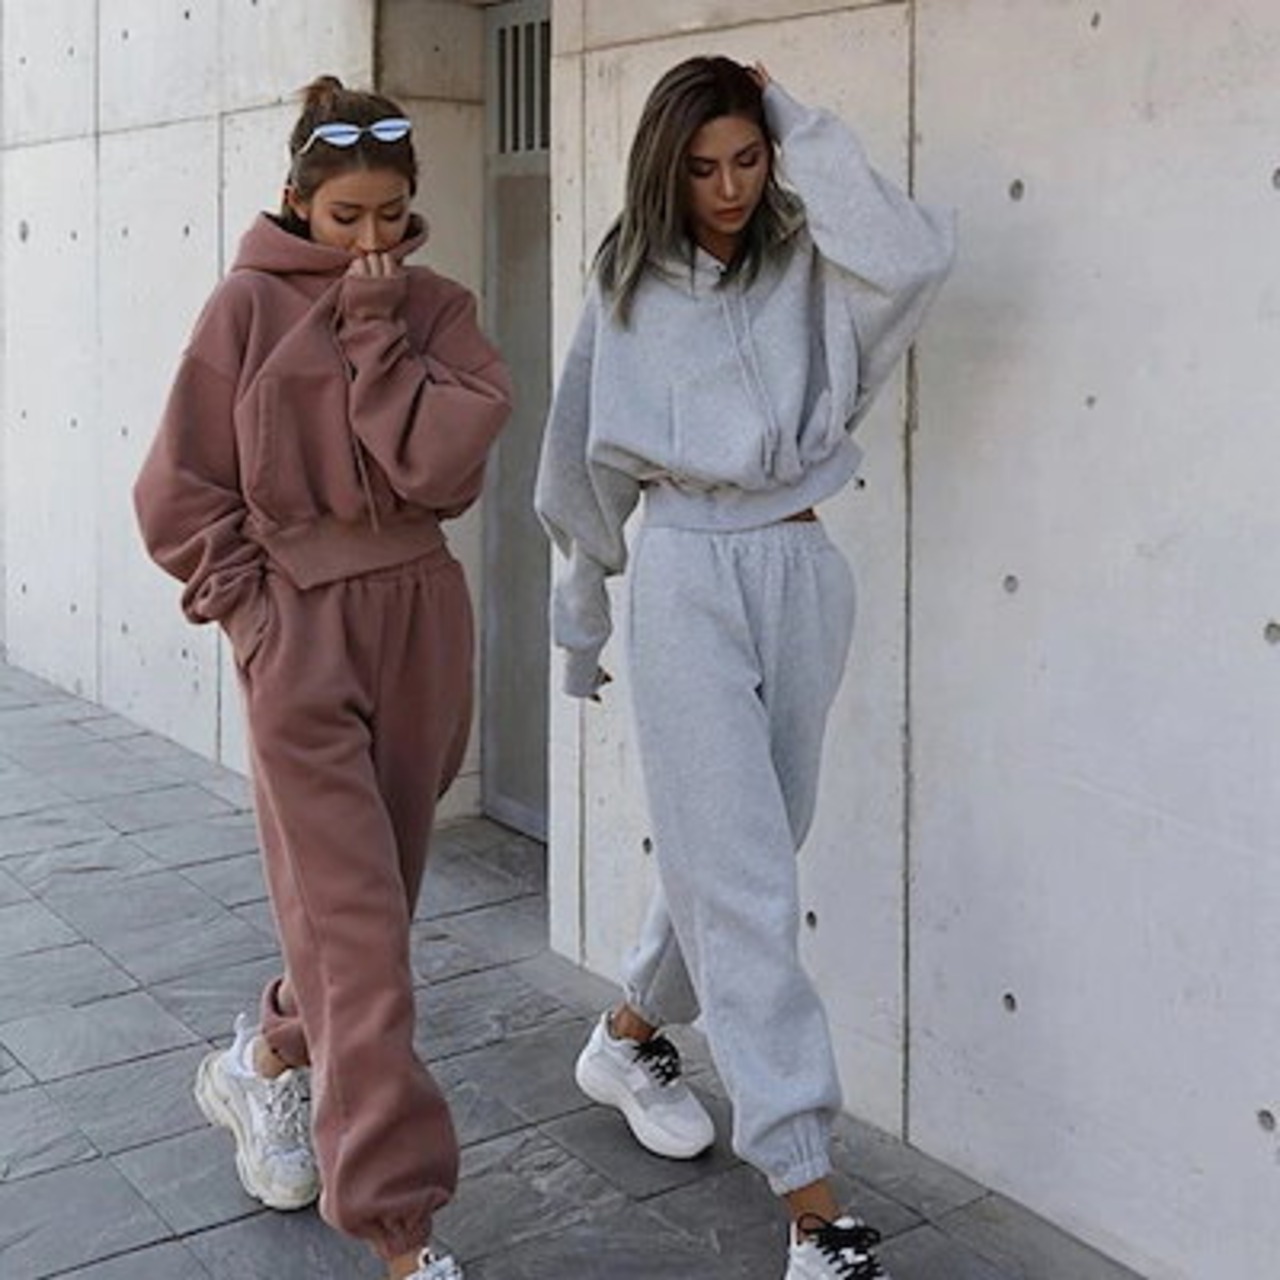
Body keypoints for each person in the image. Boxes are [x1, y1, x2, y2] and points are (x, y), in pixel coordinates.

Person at [535, 56, 953, 1280]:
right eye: (701, 167)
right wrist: (581, 619)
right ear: (662, 171)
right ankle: (813, 1207)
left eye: (745, 159)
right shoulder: (622, 287)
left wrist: (796, 121)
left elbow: (914, 259)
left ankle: (626, 1032)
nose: (726, 188)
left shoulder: (807, 264)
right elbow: (579, 464)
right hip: (684, 577)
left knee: (752, 849)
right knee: (745, 890)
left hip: (802, 568)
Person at [134, 75, 511, 1280]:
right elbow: (174, 491)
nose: (369, 239)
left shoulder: (436, 309)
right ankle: (402, 1231)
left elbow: (445, 467)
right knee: (360, 938)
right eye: (346, 215)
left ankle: (266, 1060)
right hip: (299, 629)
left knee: (371, 915)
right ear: (297, 199)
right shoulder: (243, 308)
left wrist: (374, 328)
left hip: (421, 622)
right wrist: (258, 616)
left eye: (390, 214)